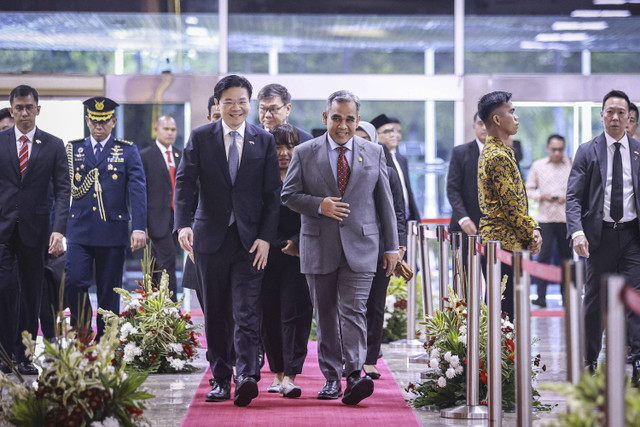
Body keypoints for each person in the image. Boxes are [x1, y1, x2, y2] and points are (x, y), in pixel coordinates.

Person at [281, 90, 399, 405]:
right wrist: (320, 205)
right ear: (325, 118)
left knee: (354, 311)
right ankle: (332, 378)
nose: (343, 125)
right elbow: (288, 195)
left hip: (363, 245)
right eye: (336, 118)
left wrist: (392, 248)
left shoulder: (374, 152)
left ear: (357, 120)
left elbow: (385, 204)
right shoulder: (305, 152)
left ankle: (355, 373)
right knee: (326, 314)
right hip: (319, 246)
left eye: (349, 119)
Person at [174, 74, 281, 407]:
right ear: (218, 104)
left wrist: (266, 238)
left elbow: (272, 195)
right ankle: (221, 378)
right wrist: (183, 225)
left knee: (248, 312)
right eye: (229, 101)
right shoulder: (201, 137)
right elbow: (185, 183)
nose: (236, 107)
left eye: (242, 101)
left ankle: (247, 375)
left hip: (250, 242)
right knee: (217, 312)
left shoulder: (262, 140)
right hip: (209, 239)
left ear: (250, 104)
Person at [566, 89, 640, 385]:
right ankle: (588, 360)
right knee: (594, 303)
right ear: (601, 115)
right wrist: (577, 232)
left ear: (629, 118)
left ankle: (637, 361)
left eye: (621, 113)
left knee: (634, 302)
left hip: (633, 238)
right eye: (610, 111)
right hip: (598, 239)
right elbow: (572, 197)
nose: (615, 117)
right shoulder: (588, 151)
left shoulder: (637, 150)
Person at [0, 85, 70, 375]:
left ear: (38, 109)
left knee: (31, 293)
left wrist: (59, 229)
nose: (24, 113)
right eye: (19, 108)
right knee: (4, 290)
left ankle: (24, 355)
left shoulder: (53, 145)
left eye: (29, 107)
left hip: (37, 231)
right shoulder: (0, 141)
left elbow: (64, 190)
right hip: (2, 230)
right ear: (11, 109)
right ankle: (5, 353)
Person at [64, 96, 147, 341]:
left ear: (113, 122)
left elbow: (138, 190)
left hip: (112, 229)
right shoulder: (74, 149)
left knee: (109, 291)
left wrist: (139, 227)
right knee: (74, 282)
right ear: (87, 121)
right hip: (79, 229)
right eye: (94, 122)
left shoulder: (127, 150)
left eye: (104, 122)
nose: (99, 126)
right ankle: (82, 330)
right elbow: (60, 190)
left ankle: (105, 340)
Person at [477, 91, 542, 321]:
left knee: (504, 308)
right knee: (506, 312)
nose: (516, 117)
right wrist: (532, 232)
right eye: (511, 112)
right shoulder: (498, 156)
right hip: (504, 243)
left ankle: (504, 356)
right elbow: (512, 207)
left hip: (503, 241)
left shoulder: (501, 151)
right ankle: (503, 357)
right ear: (496, 119)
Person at [260, 123, 313, 398]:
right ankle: (277, 374)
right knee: (269, 314)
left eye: (289, 147)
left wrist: (298, 240)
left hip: (298, 255)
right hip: (265, 255)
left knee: (296, 314)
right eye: (278, 147)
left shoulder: (307, 177)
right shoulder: (261, 178)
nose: (284, 153)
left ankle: (291, 376)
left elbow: (316, 214)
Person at [356, 121, 407, 380]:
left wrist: (398, 245)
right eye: (357, 137)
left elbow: (398, 211)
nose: (361, 143)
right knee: (350, 305)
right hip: (350, 246)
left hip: (380, 249)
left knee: (375, 304)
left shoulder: (386, 168)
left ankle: (370, 358)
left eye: (366, 138)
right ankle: (350, 357)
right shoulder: (340, 169)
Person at [526, 134, 572, 308]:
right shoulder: (538, 166)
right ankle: (541, 296)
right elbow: (528, 189)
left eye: (560, 149)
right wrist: (542, 196)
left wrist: (566, 197)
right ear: (547, 148)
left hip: (565, 218)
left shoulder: (571, 164)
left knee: (566, 259)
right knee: (543, 257)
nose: (557, 153)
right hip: (544, 218)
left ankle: (567, 297)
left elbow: (580, 189)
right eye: (554, 149)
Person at [140, 115, 181, 301]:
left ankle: (151, 306)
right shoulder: (145, 156)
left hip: (177, 220)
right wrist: (142, 224)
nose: (170, 133)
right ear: (156, 130)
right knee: (167, 262)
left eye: (173, 129)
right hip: (155, 220)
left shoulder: (181, 155)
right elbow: (140, 192)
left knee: (157, 264)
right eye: (166, 129)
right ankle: (171, 308)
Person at [447, 112, 487, 268]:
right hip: (465, 227)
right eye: (480, 123)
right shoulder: (460, 152)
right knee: (464, 282)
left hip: (497, 232)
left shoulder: (507, 153)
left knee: (497, 286)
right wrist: (463, 218)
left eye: (488, 124)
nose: (484, 128)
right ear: (474, 126)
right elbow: (452, 188)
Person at [371, 114, 421, 222]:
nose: (394, 135)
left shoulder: (401, 159)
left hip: (406, 220)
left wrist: (416, 219)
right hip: (387, 220)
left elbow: (407, 192)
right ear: (375, 135)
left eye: (395, 131)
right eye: (387, 132)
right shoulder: (373, 159)